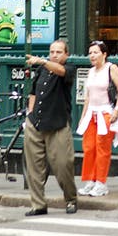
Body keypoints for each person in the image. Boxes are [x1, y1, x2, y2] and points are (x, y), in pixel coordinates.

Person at [23, 39, 78, 215]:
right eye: (52, 52)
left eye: (58, 52)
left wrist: (43, 61)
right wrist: (29, 114)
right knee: (34, 167)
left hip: (58, 124)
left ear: (66, 55)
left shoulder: (69, 68)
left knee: (63, 164)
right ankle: (38, 204)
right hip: (36, 123)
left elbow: (61, 71)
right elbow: (33, 93)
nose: (54, 55)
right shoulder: (41, 70)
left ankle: (71, 199)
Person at [76, 40, 118, 197]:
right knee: (89, 147)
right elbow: (88, 96)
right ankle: (90, 179)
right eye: (90, 53)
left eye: (95, 52)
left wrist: (117, 110)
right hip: (92, 112)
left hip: (106, 111)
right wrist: (83, 115)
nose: (92, 56)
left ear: (104, 54)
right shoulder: (91, 72)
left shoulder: (111, 69)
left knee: (102, 147)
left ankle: (101, 182)